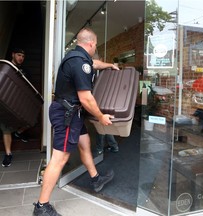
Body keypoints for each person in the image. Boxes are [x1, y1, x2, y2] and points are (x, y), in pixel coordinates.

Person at [33, 27, 119, 216]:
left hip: (73, 114)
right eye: (95, 44)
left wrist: (110, 65)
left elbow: (94, 63)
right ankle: (41, 206)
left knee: (85, 145)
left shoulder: (76, 57)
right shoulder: (79, 62)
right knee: (59, 159)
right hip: (67, 115)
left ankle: (95, 179)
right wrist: (101, 116)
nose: (95, 47)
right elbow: (86, 98)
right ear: (90, 44)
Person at [1, 48, 30, 167]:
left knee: (31, 120)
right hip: (5, 103)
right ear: (13, 54)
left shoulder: (25, 71)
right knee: (6, 128)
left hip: (19, 102)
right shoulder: (5, 67)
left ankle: (18, 132)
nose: (21, 58)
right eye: (19, 55)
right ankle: (8, 154)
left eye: (23, 56)